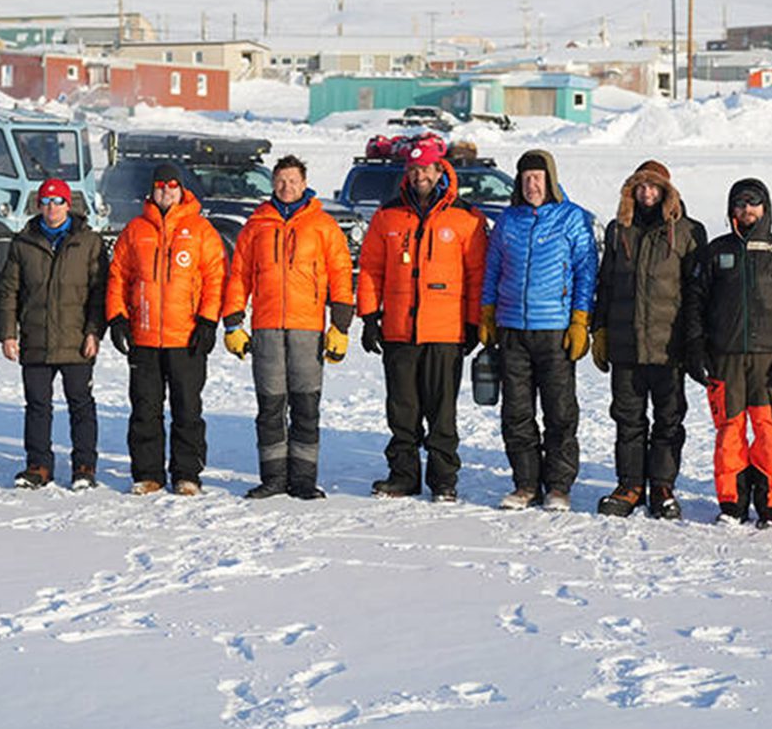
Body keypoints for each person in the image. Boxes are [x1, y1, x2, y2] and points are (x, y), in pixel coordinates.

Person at [358, 140, 488, 502]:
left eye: (426, 170)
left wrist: (474, 323)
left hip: (446, 331)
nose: (420, 176)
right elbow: (371, 269)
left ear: (439, 171)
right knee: (402, 410)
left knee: (441, 412)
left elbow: (477, 274)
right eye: (413, 170)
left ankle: (444, 479)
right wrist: (369, 317)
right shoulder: (388, 216)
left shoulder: (467, 218)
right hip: (399, 330)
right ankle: (403, 476)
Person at [221, 155, 356, 500]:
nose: (286, 187)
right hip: (266, 328)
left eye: (293, 180)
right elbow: (239, 276)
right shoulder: (256, 225)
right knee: (270, 408)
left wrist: (340, 325)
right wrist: (233, 321)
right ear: (273, 183)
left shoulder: (323, 225)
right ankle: (273, 478)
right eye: (280, 180)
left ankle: (303, 480)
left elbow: (341, 275)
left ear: (304, 182)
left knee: (306, 408)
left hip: (308, 330)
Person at [685, 177, 772, 527]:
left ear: (765, 208)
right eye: (740, 203)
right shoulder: (715, 251)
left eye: (753, 203)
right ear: (731, 209)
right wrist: (695, 345)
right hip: (724, 358)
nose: (747, 209)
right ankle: (732, 501)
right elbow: (695, 301)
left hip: (769, 360)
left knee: (768, 433)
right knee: (729, 433)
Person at [481, 149, 598, 511]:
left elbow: (585, 273)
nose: (532, 184)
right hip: (512, 329)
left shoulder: (573, 219)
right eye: (526, 178)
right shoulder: (507, 220)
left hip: (555, 331)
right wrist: (487, 313)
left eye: (538, 177)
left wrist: (580, 320)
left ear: (551, 179)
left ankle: (558, 487)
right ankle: (526, 484)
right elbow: (492, 270)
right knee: (516, 412)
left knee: (560, 412)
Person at [591, 160, 705, 519]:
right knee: (628, 419)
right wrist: (600, 331)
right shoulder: (617, 230)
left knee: (669, 421)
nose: (647, 194)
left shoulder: (688, 231)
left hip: (668, 347)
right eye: (640, 187)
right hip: (626, 346)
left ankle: (662, 487)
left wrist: (694, 342)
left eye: (654, 188)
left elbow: (695, 292)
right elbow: (605, 285)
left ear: (667, 191)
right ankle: (630, 485)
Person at [106, 163, 225, 496]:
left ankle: (187, 475)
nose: (166, 191)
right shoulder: (135, 230)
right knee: (145, 409)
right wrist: (117, 317)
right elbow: (118, 277)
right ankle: (148, 474)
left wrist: (207, 320)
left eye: (173, 185)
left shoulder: (200, 230)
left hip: (186, 336)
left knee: (187, 410)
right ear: (152, 189)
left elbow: (216, 277)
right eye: (160, 185)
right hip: (144, 336)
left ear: (182, 189)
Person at [0, 178, 108, 490]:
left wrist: (94, 332)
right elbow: (9, 292)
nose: (51, 208)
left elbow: (100, 293)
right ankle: (38, 465)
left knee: (81, 404)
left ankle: (84, 466)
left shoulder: (88, 242)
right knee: (37, 405)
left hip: (76, 340)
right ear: (37, 205)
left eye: (57, 201)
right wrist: (8, 333)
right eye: (45, 202)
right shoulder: (23, 243)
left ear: (68, 205)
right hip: (36, 339)